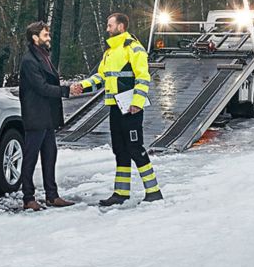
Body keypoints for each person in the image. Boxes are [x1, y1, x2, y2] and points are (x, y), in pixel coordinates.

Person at [71, 12, 163, 207]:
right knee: (120, 150)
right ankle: (120, 193)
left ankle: (153, 191)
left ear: (121, 27)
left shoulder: (134, 48)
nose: (107, 28)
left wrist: (137, 102)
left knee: (135, 148)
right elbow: (101, 77)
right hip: (115, 108)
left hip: (131, 109)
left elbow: (143, 77)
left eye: (110, 25)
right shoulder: (110, 52)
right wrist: (83, 85)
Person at [19, 21, 75, 211]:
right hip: (35, 116)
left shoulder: (43, 56)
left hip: (47, 116)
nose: (48, 38)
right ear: (35, 38)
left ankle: (52, 195)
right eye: (45, 35)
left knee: (50, 155)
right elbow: (40, 87)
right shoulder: (29, 60)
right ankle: (28, 198)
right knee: (30, 158)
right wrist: (66, 90)